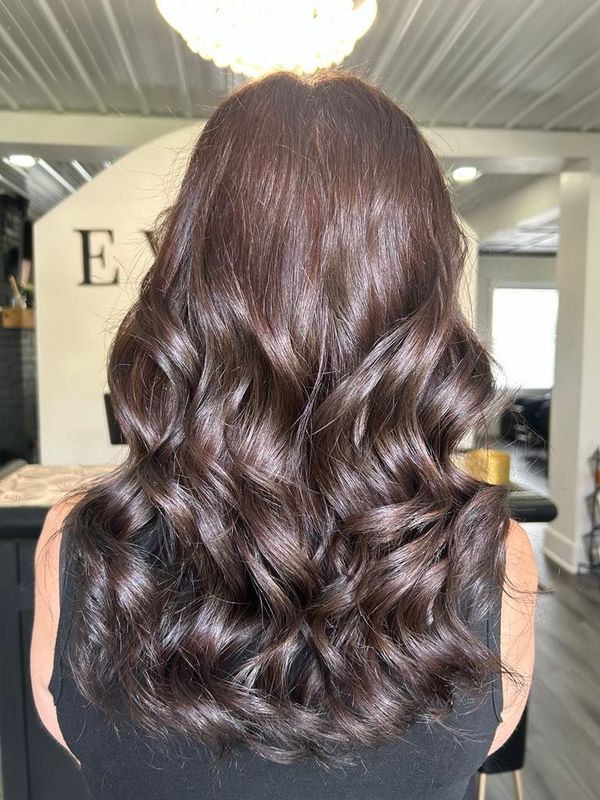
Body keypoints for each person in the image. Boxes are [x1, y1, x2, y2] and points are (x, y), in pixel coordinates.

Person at [30, 69, 539, 800]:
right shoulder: (498, 564)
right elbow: (482, 746)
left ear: (190, 271)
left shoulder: (76, 550)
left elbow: (81, 743)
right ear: (422, 291)